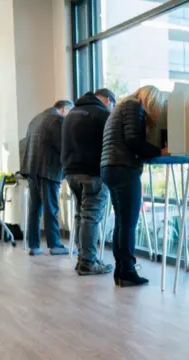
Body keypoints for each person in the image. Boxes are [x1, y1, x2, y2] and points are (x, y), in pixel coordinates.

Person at [101, 85, 167, 287]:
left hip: (110, 167)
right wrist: (158, 151)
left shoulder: (120, 108)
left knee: (122, 222)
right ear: (150, 100)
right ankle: (127, 271)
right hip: (123, 168)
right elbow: (133, 141)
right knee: (128, 223)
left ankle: (122, 270)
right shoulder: (133, 107)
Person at [62, 88, 116, 276]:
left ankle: (82, 259)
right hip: (92, 172)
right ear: (108, 100)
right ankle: (88, 262)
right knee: (91, 216)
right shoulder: (102, 115)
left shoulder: (71, 113)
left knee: (80, 214)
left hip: (71, 171)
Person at [21, 100, 73, 256]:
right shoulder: (57, 120)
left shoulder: (36, 119)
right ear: (63, 109)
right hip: (48, 169)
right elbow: (62, 146)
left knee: (35, 208)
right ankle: (55, 245)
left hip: (32, 168)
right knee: (51, 207)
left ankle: (34, 245)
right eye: (69, 112)